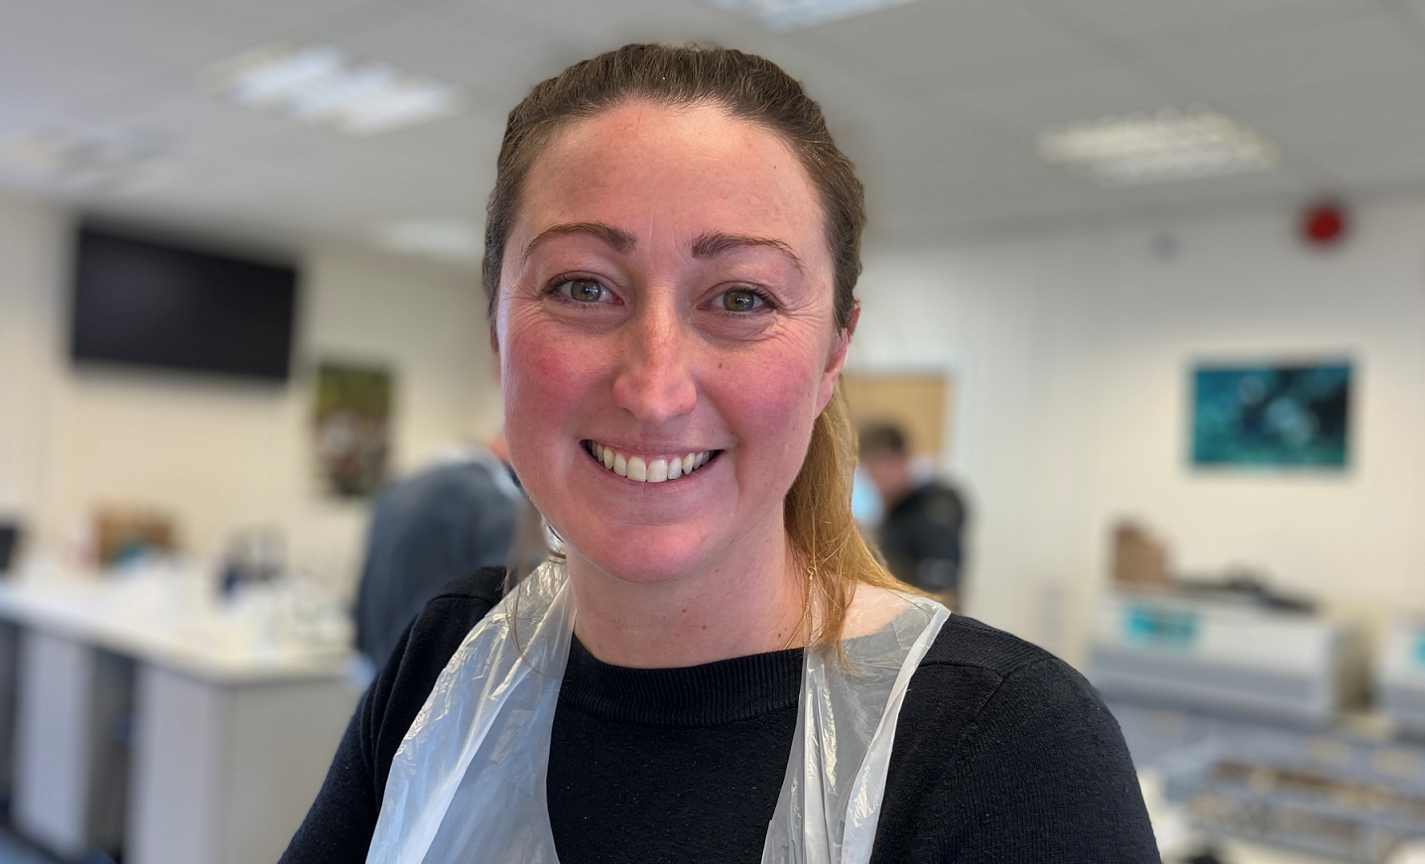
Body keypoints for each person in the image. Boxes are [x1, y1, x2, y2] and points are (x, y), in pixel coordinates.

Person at [282, 44, 1159, 864]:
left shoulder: (1009, 747)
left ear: (831, 358)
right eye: (583, 286)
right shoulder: (454, 651)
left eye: (741, 296)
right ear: (496, 330)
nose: (654, 387)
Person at [351, 433, 522, 672]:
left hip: (382, 669)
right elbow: (514, 603)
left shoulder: (404, 486)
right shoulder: (489, 498)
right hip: (432, 677)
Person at [858, 422, 969, 610]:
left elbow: (941, 591)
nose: (877, 475)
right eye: (869, 466)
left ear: (902, 459)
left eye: (882, 463)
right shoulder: (893, 511)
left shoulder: (936, 506)